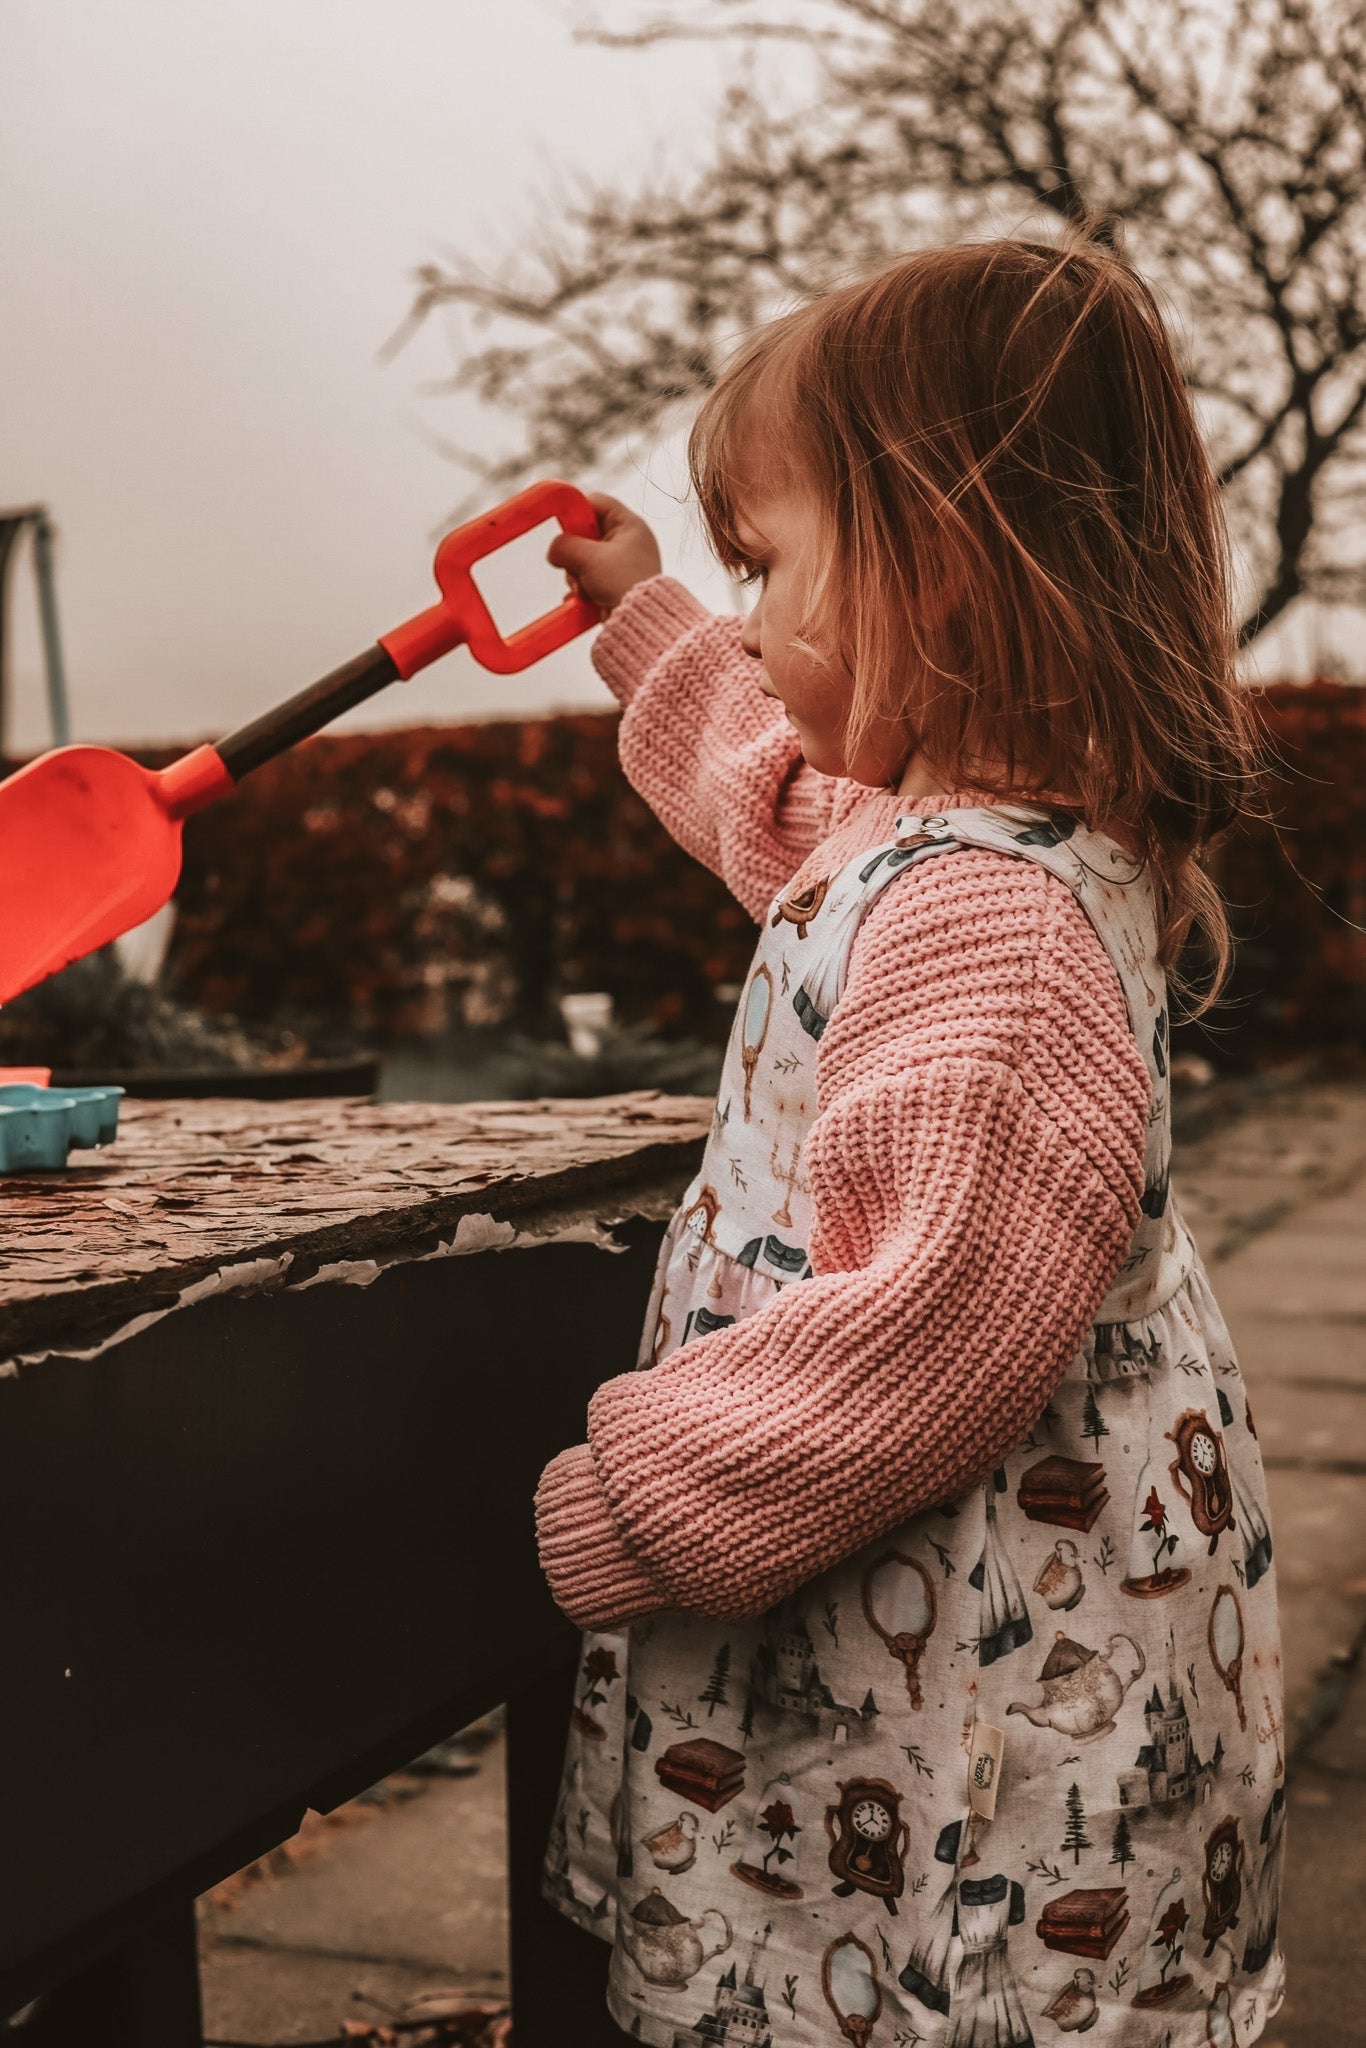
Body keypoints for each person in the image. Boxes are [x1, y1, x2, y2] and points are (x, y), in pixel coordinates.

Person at [532, 230, 1284, 2048]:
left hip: (946, 1627)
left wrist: (630, 1498)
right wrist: (641, 616)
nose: (745, 621)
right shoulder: (935, 842)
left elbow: (921, 1332)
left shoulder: (986, 926)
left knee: (929, 1992)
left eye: (763, 565)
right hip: (964, 1572)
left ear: (937, 571)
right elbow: (768, 792)